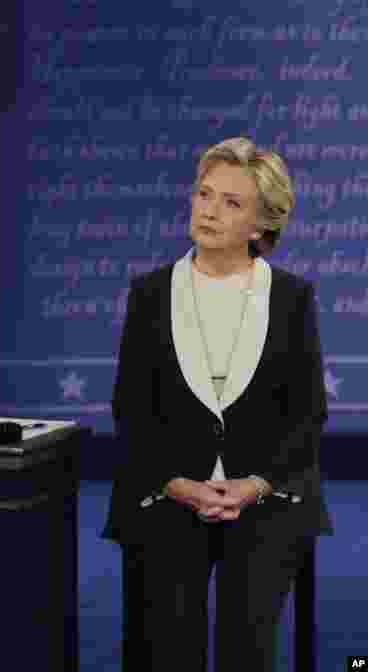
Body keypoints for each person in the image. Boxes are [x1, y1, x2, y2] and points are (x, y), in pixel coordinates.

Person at [101, 137, 333, 671]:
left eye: (232, 202)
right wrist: (177, 483)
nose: (209, 210)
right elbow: (131, 409)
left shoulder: (292, 297)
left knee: (246, 646)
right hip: (170, 490)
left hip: (264, 494)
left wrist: (255, 483)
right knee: (166, 645)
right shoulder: (151, 293)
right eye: (205, 194)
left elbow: (307, 414)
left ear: (261, 225)